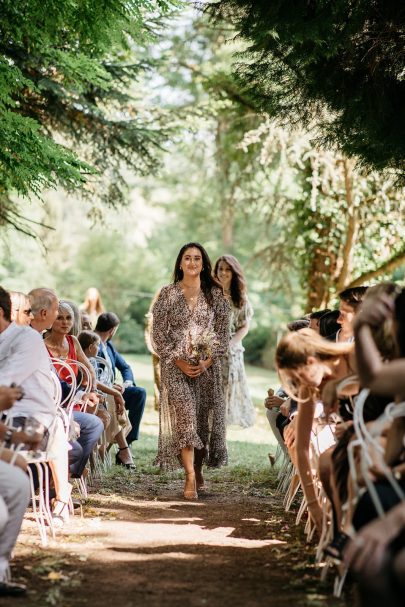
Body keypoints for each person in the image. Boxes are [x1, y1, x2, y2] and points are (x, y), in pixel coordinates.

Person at [151, 242, 230, 500]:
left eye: (197, 258)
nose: (192, 263)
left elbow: (222, 335)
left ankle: (198, 467)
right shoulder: (167, 294)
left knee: (201, 421)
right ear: (180, 263)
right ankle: (189, 476)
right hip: (175, 367)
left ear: (204, 263)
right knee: (185, 416)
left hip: (206, 368)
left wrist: (206, 361)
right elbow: (158, 334)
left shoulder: (216, 295)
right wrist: (178, 361)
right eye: (187, 258)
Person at [44, 301, 104, 478]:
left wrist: (90, 389)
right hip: (52, 404)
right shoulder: (41, 345)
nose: (65, 322)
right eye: (60, 318)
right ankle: (60, 476)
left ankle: (69, 473)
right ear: (51, 320)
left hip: (74, 402)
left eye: (68, 318)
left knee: (98, 421)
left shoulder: (73, 341)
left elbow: (90, 370)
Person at [95, 312, 146, 463]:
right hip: (99, 393)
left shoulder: (109, 346)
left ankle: (127, 444)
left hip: (115, 391)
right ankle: (124, 449)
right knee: (112, 397)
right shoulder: (91, 343)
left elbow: (125, 368)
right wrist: (110, 388)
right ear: (113, 330)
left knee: (139, 393)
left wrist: (126, 384)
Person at [214, 255, 255, 428]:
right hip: (207, 347)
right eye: (220, 269)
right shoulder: (209, 292)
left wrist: (231, 344)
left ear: (234, 272)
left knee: (224, 392)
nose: (223, 273)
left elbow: (244, 326)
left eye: (227, 269)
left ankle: (219, 431)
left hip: (230, 351)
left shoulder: (240, 297)